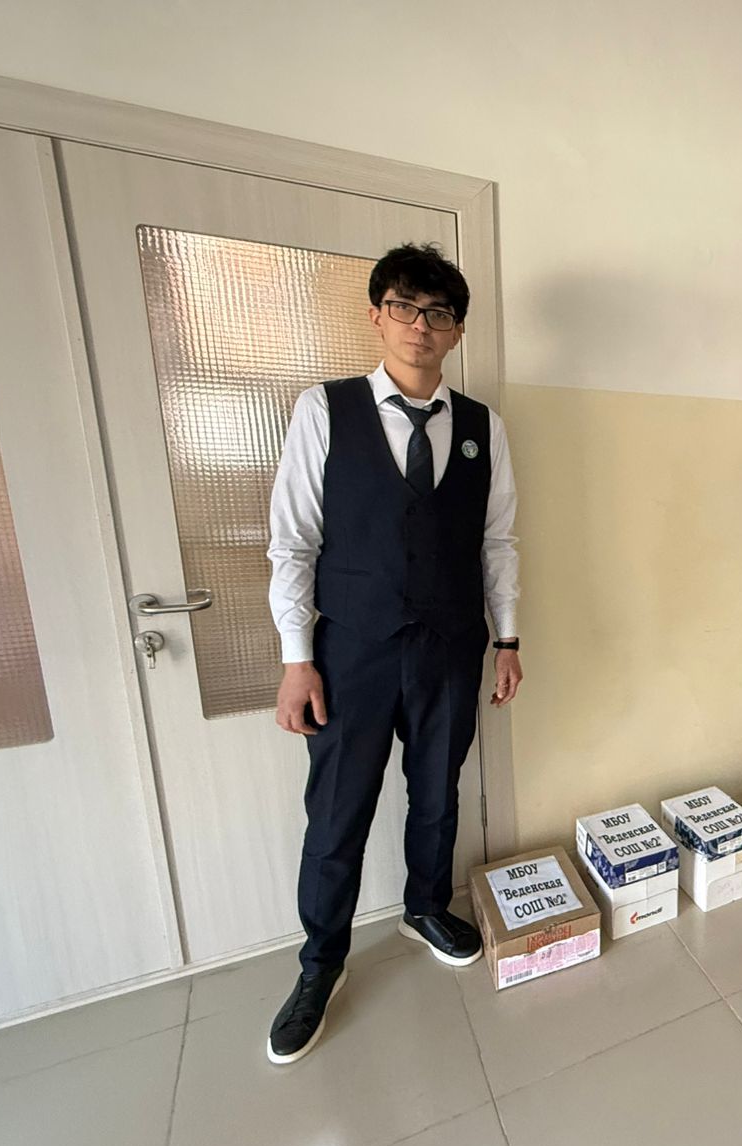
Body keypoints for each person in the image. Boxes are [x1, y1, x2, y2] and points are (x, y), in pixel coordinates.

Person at [263, 243, 521, 1063]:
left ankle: (425, 906)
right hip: (352, 649)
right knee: (339, 808)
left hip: (450, 644)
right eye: (405, 307)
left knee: (438, 791)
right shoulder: (324, 409)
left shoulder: (482, 427)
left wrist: (508, 638)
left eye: (438, 313)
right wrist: (297, 658)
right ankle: (320, 962)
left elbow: (498, 542)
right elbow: (292, 542)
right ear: (377, 316)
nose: (421, 325)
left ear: (456, 332)